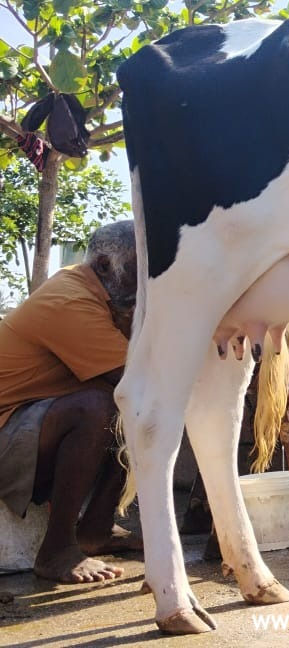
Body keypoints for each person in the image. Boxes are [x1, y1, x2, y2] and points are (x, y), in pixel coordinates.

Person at [0, 220, 142, 583]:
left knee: (138, 410)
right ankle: (57, 550)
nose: (147, 281)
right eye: (139, 269)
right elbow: (136, 380)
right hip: (7, 426)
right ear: (105, 266)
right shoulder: (70, 299)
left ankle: (95, 529)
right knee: (101, 405)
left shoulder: (97, 292)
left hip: (29, 420)